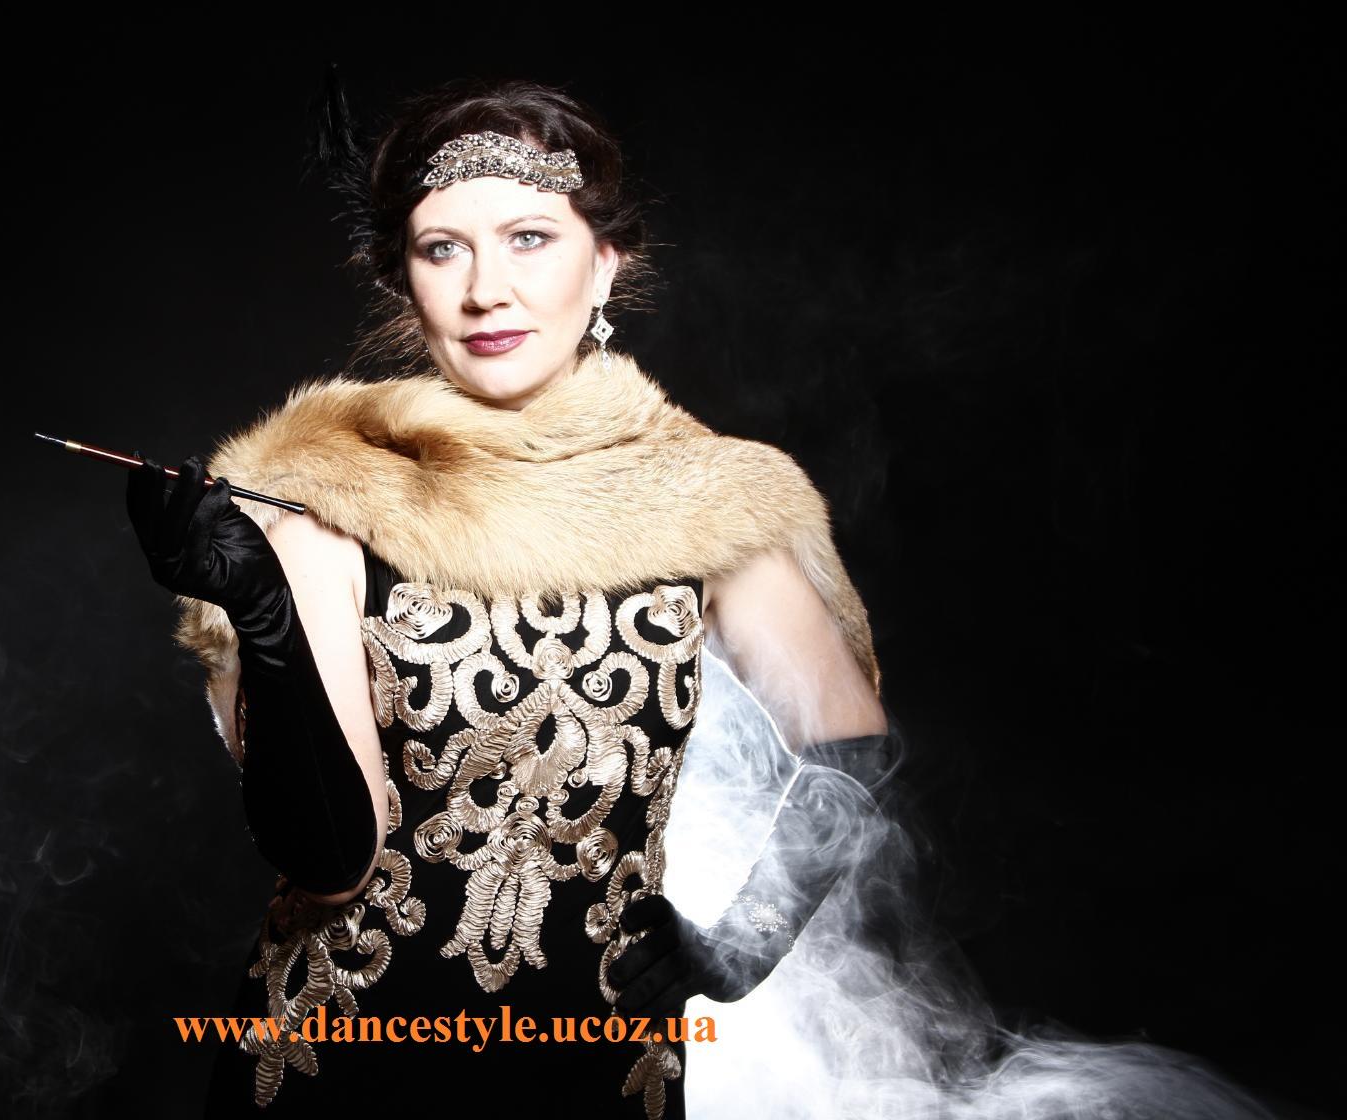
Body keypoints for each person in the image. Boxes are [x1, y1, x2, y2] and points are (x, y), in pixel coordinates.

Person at [125, 75, 899, 1120]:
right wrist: (265, 619)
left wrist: (743, 945)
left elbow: (849, 746)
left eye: (529, 238)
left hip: (598, 1072)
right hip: (345, 1068)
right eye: (443, 249)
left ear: (605, 260)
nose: (486, 289)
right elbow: (331, 864)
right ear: (405, 280)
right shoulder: (332, 493)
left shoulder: (701, 496)